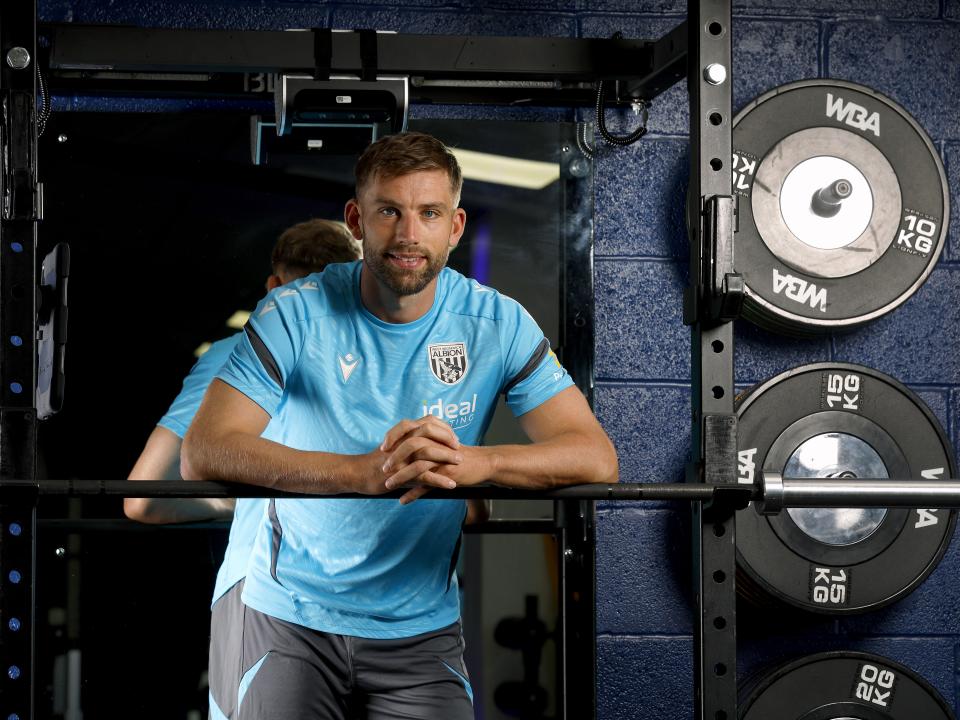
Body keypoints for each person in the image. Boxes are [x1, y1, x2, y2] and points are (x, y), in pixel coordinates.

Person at [182, 131, 618, 720]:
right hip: (293, 615)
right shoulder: (294, 312)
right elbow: (205, 450)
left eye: (429, 213)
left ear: (455, 227)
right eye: (389, 211)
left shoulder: (498, 323)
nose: (409, 234)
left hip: (420, 630)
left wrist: (477, 463)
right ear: (356, 220)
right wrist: (363, 474)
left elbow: (594, 456)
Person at [124, 218, 363, 720]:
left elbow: (143, 497)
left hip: (265, 595)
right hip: (371, 598)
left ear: (274, 286)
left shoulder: (239, 354)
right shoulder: (380, 362)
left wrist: (236, 502)